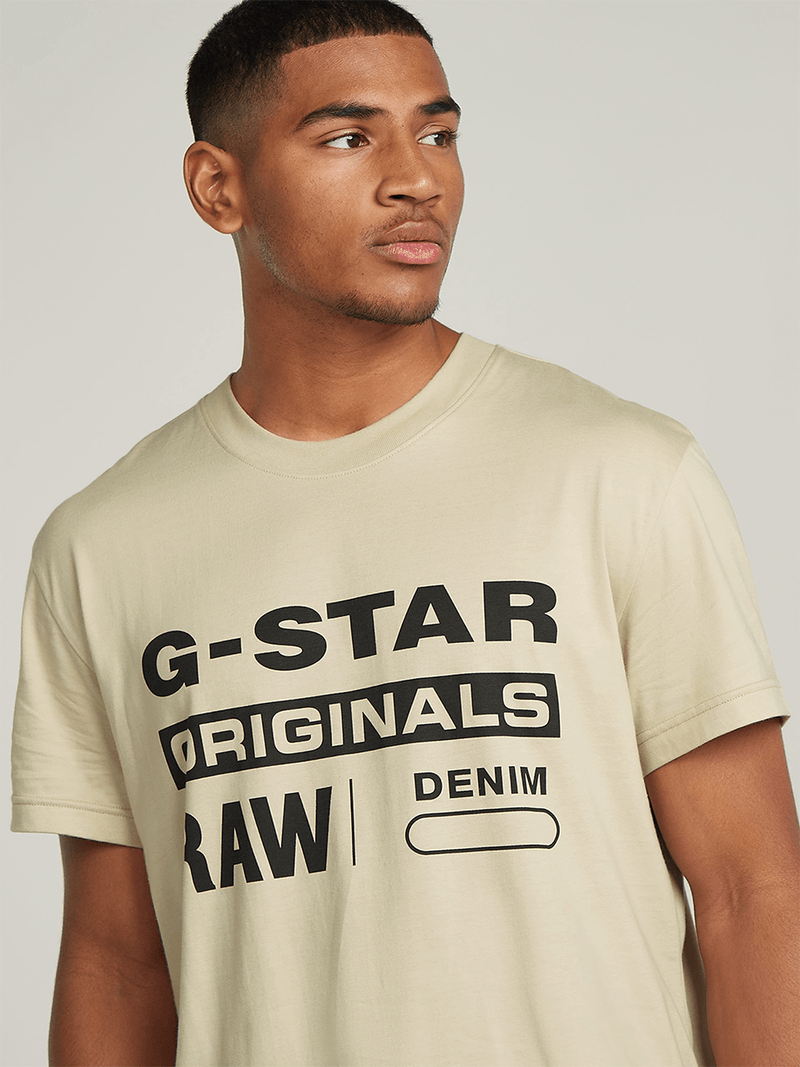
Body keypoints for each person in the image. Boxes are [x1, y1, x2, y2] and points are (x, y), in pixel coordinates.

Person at [10, 1, 799, 1065]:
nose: (416, 178)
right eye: (348, 137)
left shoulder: (619, 468)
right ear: (217, 187)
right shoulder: (101, 546)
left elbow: (754, 889)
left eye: (437, 132)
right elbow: (117, 961)